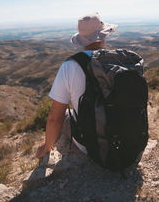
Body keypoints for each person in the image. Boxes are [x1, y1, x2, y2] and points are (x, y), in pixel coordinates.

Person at [36, 12, 117, 159]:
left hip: (93, 146)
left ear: (82, 41)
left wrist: (46, 146)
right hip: (128, 141)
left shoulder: (70, 66)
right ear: (103, 37)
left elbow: (55, 118)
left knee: (67, 114)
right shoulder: (119, 62)